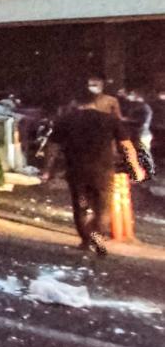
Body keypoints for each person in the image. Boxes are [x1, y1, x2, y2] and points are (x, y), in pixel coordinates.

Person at [42, 83, 146, 256]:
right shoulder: (110, 120)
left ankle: (85, 240)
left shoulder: (66, 119)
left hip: (77, 171)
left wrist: (47, 169)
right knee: (102, 207)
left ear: (75, 102)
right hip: (103, 171)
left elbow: (52, 146)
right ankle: (98, 239)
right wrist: (135, 168)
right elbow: (127, 146)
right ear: (97, 101)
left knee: (81, 205)